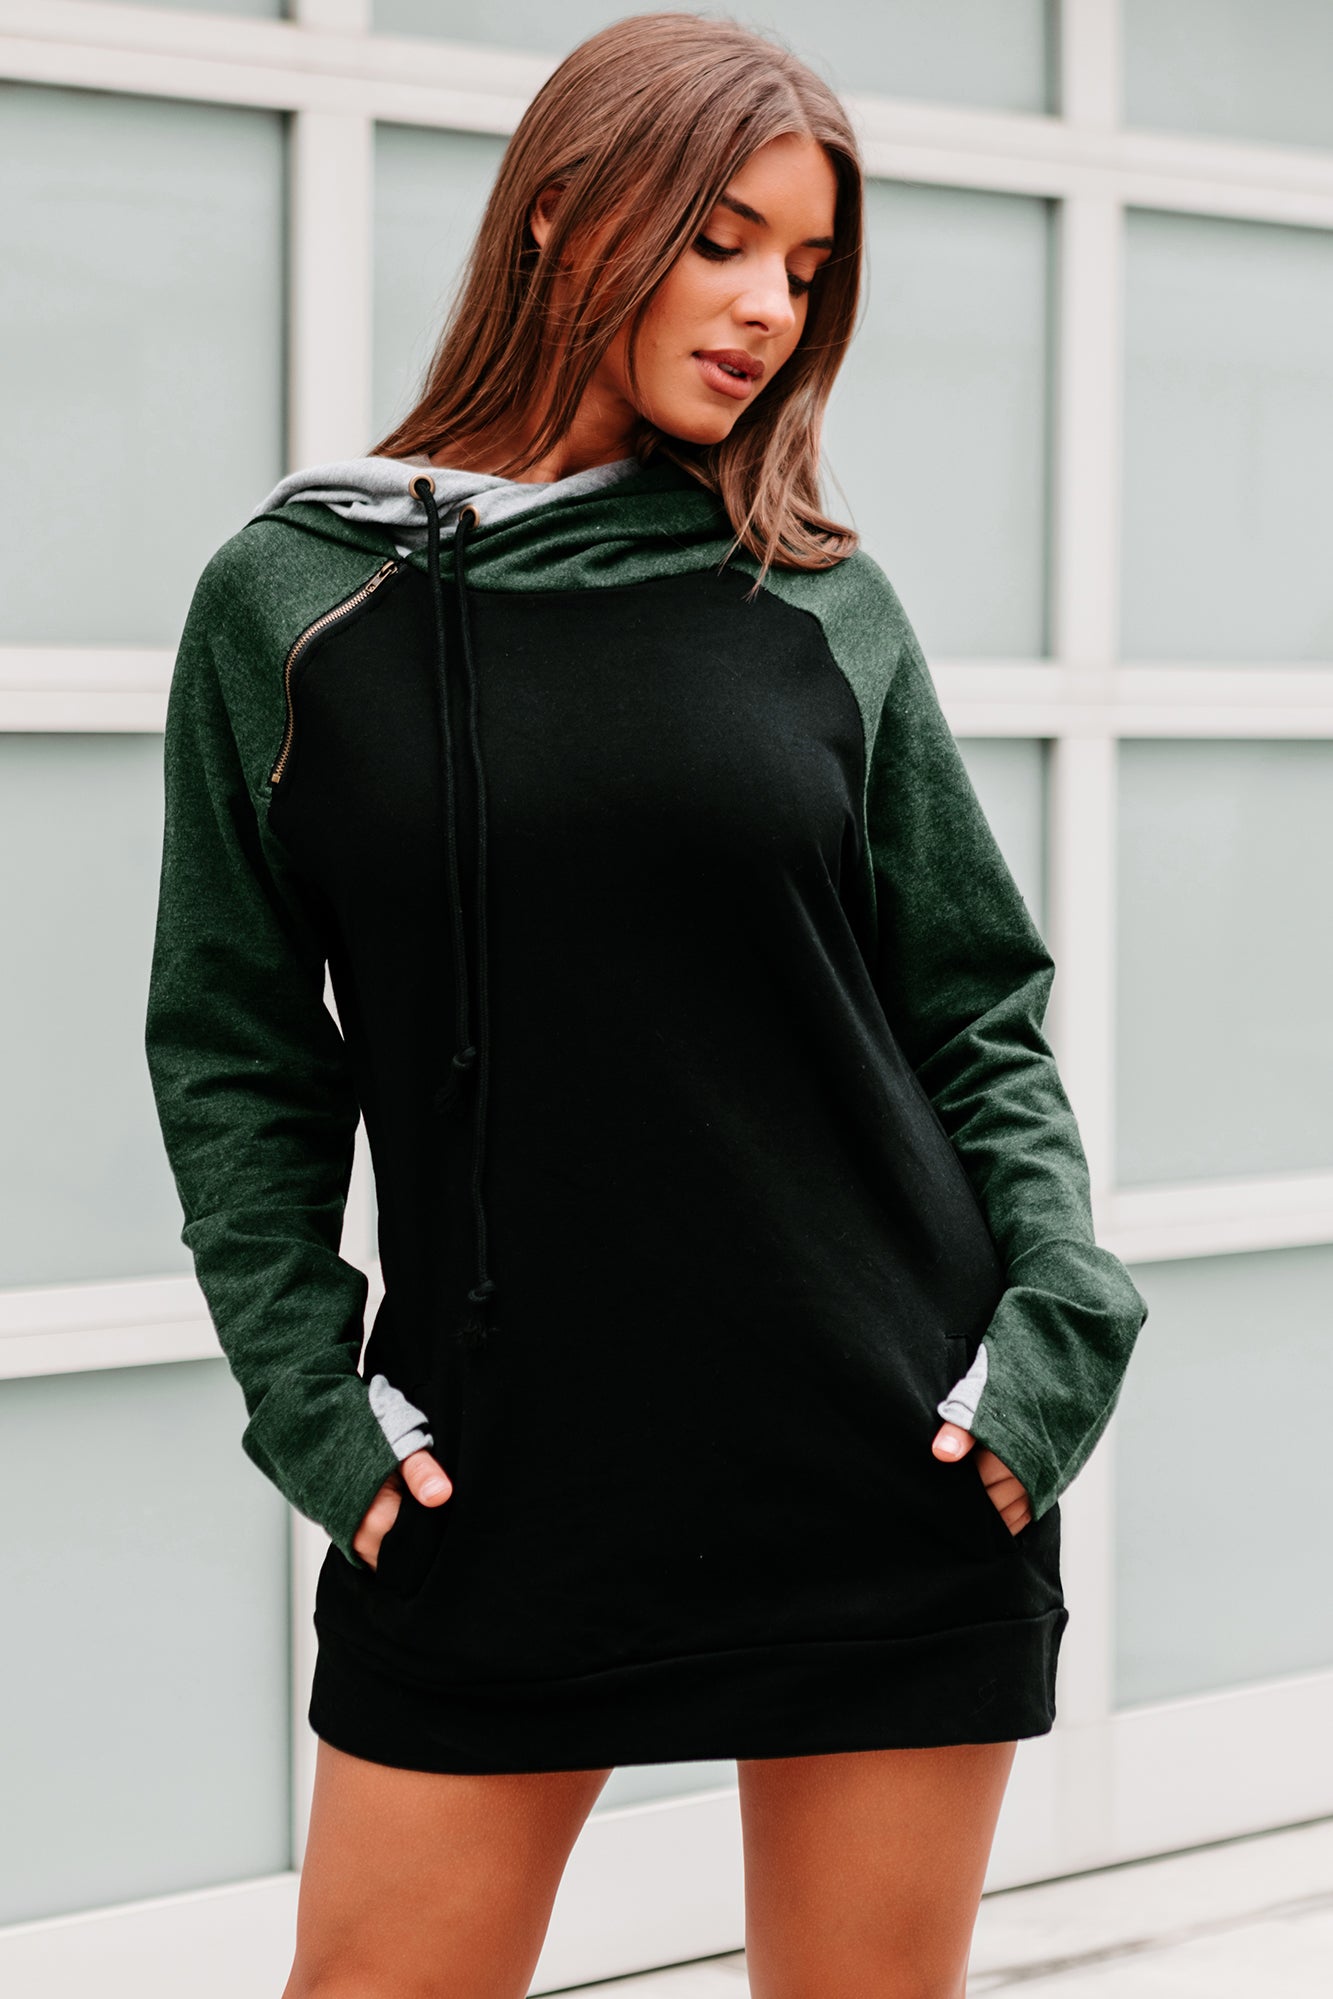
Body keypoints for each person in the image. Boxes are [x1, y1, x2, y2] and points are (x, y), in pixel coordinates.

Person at [144, 13, 1148, 1997]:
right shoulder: (296, 598)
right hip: (502, 1481)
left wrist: (1059, 1319)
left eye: (808, 266)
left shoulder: (816, 597)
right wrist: (311, 1407)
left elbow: (971, 1003)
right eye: (722, 239)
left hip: (882, 1456)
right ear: (562, 214)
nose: (770, 307)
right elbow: (238, 1053)